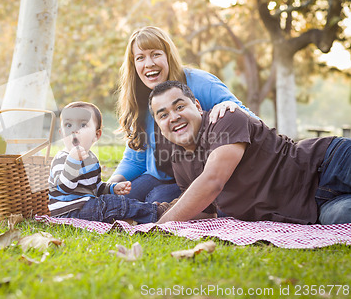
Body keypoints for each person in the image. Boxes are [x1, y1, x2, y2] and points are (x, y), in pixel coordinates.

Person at [149, 80, 351, 225]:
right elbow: (202, 209)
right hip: (313, 208)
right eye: (163, 115)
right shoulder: (178, 159)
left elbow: (213, 181)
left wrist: (160, 227)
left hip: (327, 163)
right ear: (159, 125)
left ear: (198, 106)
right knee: (343, 216)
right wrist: (153, 212)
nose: (173, 117)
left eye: (180, 107)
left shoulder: (224, 119)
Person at [109, 26, 257, 204]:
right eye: (140, 58)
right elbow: (135, 158)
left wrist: (231, 106)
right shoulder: (139, 98)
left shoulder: (202, 83)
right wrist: (110, 185)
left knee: (155, 198)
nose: (149, 64)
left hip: (203, 174)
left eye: (155, 54)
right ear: (134, 65)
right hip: (162, 176)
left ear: (168, 56)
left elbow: (252, 121)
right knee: (116, 200)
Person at [48, 101, 168, 223]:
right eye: (68, 125)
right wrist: (73, 161)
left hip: (86, 207)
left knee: (115, 201)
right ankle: (156, 211)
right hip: (68, 212)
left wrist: (112, 188)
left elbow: (96, 188)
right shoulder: (62, 159)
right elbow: (64, 188)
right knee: (113, 204)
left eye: (83, 125)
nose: (74, 131)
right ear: (61, 134)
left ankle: (140, 215)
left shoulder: (91, 159)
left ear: (97, 135)